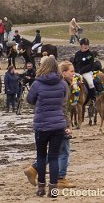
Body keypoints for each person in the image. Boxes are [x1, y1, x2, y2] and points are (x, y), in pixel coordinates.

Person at [26, 60, 78, 189]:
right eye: (71, 71)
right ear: (61, 71)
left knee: (43, 154)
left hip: (42, 124)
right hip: (59, 124)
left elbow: (30, 100)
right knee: (61, 152)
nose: (73, 74)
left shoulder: (37, 83)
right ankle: (57, 181)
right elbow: (64, 106)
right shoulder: (62, 84)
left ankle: (41, 186)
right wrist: (67, 125)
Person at [72, 38, 100, 106]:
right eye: (84, 44)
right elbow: (74, 63)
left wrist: (81, 71)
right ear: (81, 45)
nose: (86, 46)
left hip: (86, 73)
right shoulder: (77, 53)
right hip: (76, 72)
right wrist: (74, 70)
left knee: (90, 83)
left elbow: (90, 65)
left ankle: (93, 99)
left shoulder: (90, 54)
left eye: (87, 45)